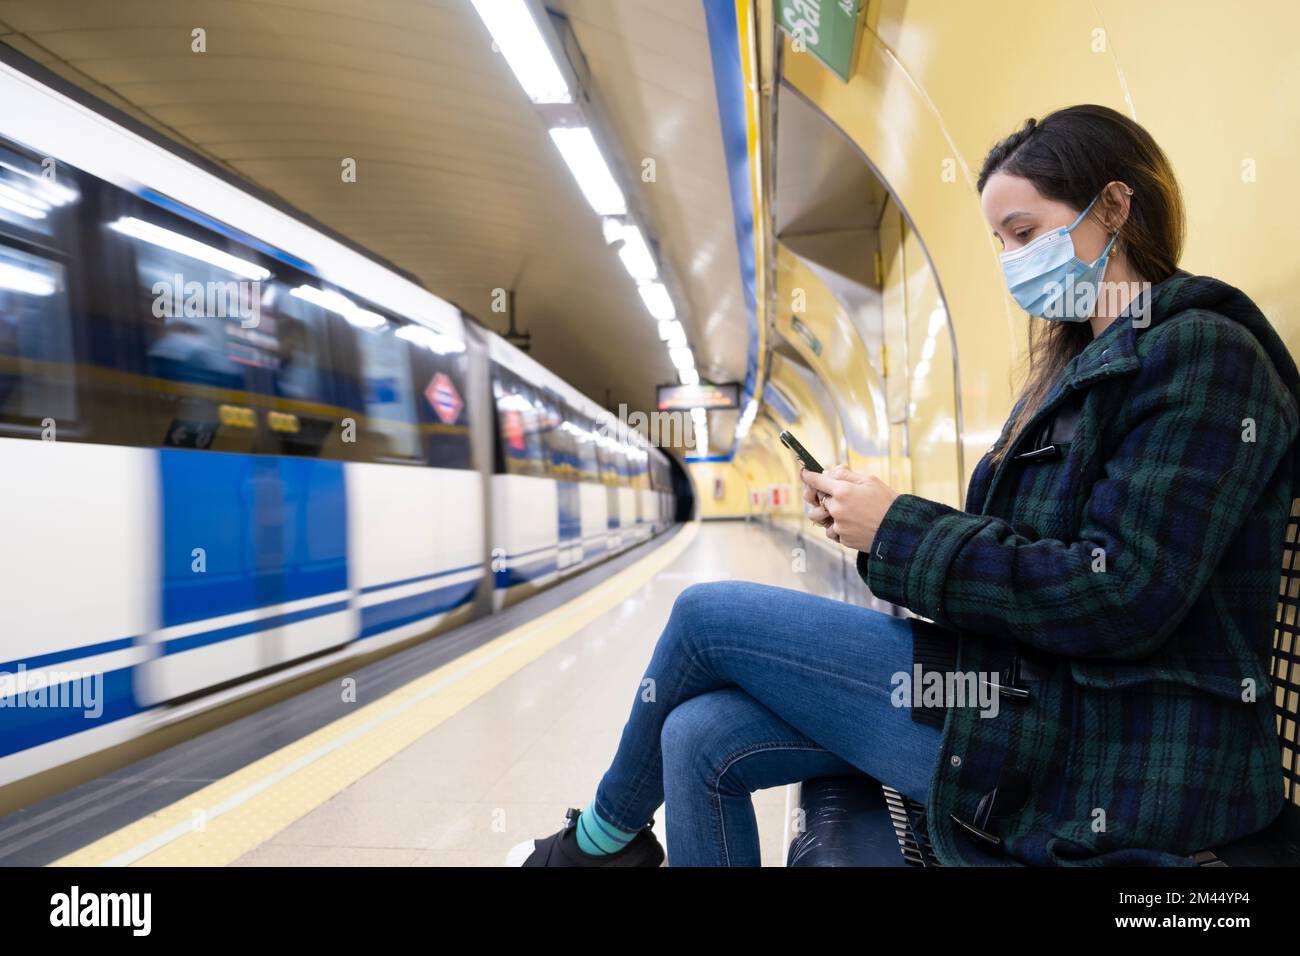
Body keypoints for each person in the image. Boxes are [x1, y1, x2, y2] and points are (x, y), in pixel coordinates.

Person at [513, 104, 1299, 867]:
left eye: (1024, 233)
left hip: (1119, 742)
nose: (1010, 260)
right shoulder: (1075, 373)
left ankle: (596, 848)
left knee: (704, 615)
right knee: (695, 735)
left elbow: (1120, 594)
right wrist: (876, 523)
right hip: (1023, 690)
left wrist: (898, 529)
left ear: (1116, 206)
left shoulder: (1203, 356)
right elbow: (1028, 557)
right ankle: (606, 847)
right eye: (999, 242)